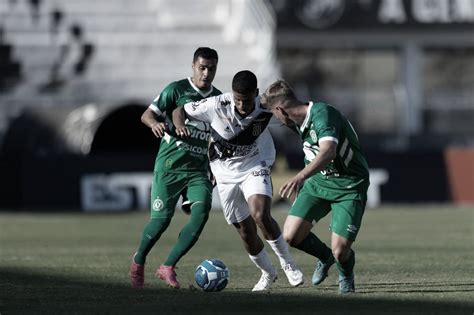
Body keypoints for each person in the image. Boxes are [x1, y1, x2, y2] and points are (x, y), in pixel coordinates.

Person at [173, 70, 303, 292]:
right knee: (245, 231)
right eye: (237, 100)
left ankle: (288, 263)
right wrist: (179, 126)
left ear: (256, 93)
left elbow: (292, 112)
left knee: (261, 214)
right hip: (224, 175)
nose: (242, 105)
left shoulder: (265, 106)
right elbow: (179, 111)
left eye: (247, 100)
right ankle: (267, 273)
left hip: (255, 165)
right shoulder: (215, 105)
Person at [261, 80, 370, 294]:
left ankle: (345, 273)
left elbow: (328, 152)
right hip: (318, 183)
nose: (276, 120)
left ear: (281, 109)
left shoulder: (323, 115)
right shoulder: (294, 119)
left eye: (275, 114)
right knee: (290, 237)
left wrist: (299, 177)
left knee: (341, 251)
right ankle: (324, 256)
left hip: (349, 185)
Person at [129, 47, 222, 289]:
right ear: (193, 66)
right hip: (170, 167)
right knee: (161, 222)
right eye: (202, 68)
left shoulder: (218, 99)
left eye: (211, 68)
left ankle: (168, 266)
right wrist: (154, 124)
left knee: (201, 215)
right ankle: (138, 261)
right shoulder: (176, 89)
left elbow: (218, 137)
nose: (206, 73)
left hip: (198, 170)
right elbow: (146, 115)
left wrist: (214, 164)